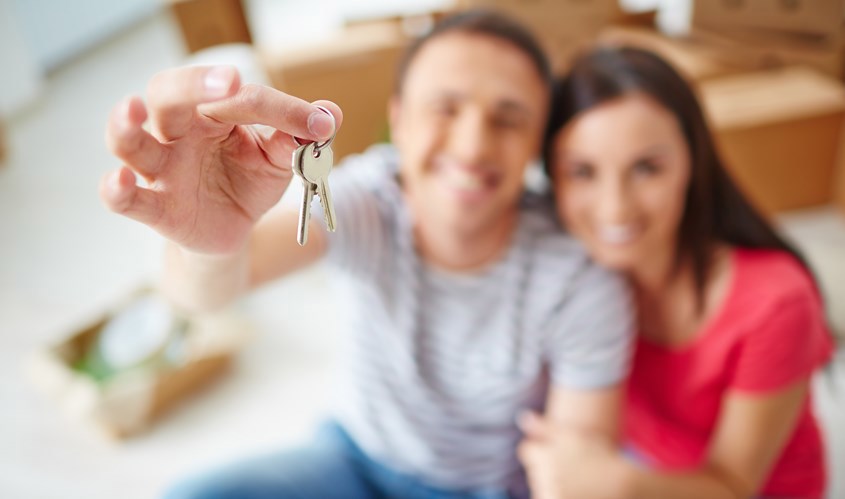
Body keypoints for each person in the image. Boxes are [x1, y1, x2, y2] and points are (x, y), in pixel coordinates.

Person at [101, 11, 634, 499]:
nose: (473, 146)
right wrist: (210, 244)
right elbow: (206, 294)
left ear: (537, 143)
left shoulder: (579, 278)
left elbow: (573, 472)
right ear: (398, 120)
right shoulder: (369, 198)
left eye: (508, 119)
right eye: (444, 108)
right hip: (353, 461)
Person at [518, 46, 835, 499]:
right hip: (645, 465)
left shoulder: (775, 304)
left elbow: (734, 484)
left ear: (693, 161)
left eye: (647, 168)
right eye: (582, 172)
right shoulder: (571, 277)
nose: (616, 207)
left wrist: (617, 483)